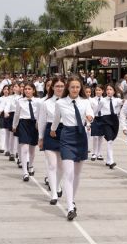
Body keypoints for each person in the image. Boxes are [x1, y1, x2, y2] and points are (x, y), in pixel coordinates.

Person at [50, 77, 94, 221]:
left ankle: (72, 199)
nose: (75, 89)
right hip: (67, 136)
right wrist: (53, 129)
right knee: (68, 173)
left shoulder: (85, 102)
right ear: (67, 88)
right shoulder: (60, 103)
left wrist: (90, 117)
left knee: (77, 173)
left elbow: (90, 113)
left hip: (81, 136)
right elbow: (56, 118)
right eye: (72, 87)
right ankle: (69, 207)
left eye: (77, 87)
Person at [38, 76, 65, 205]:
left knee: (61, 166)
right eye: (57, 86)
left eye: (61, 86)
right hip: (50, 133)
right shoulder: (46, 103)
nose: (59, 88)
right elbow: (42, 122)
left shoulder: (69, 102)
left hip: (65, 132)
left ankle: (58, 185)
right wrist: (40, 138)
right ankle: (53, 193)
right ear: (52, 88)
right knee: (52, 165)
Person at [12, 83, 42, 182]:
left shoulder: (38, 101)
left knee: (32, 149)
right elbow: (16, 114)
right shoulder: (20, 101)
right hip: (23, 124)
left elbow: (41, 114)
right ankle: (25, 172)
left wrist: (39, 124)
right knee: (24, 148)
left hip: (34, 125)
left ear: (33, 90)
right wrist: (14, 125)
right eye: (25, 89)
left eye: (29, 89)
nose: (27, 91)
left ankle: (31, 165)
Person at [93, 83, 122, 169]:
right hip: (105, 120)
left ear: (114, 91)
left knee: (111, 140)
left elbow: (124, 102)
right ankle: (111, 161)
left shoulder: (117, 100)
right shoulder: (103, 101)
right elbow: (96, 110)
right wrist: (90, 118)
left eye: (111, 89)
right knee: (109, 140)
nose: (109, 91)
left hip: (114, 121)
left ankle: (108, 160)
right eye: (107, 89)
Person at [3, 83, 22, 163]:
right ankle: (11, 152)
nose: (15, 88)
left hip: (21, 116)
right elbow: (7, 105)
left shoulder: (22, 97)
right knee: (12, 135)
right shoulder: (10, 97)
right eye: (14, 86)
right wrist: (6, 112)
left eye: (17, 86)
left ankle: (18, 151)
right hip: (12, 115)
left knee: (19, 136)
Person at [89, 85, 106, 161]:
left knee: (101, 137)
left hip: (102, 118)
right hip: (95, 118)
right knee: (95, 136)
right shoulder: (92, 100)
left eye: (99, 90)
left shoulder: (105, 100)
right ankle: (94, 153)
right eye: (96, 90)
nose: (98, 92)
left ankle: (99, 153)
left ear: (102, 91)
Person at [0, 85, 11, 155]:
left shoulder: (11, 98)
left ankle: (7, 147)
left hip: (9, 115)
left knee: (7, 132)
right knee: (2, 131)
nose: (6, 91)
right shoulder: (0, 99)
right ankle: (2, 147)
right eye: (5, 89)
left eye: (7, 89)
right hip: (1, 115)